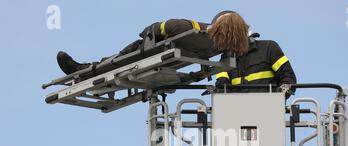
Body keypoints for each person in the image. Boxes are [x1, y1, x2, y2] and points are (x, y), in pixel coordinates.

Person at [57, 13, 236, 76]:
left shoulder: (183, 27)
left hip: (147, 53)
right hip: (170, 61)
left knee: (117, 60)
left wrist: (148, 35)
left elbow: (151, 30)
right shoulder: (217, 47)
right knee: (116, 60)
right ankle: (87, 68)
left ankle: (82, 70)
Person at [210, 12, 297, 95]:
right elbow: (222, 87)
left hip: (268, 108)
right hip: (237, 109)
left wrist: (278, 97)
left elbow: (288, 77)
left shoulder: (269, 48)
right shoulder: (225, 59)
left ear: (234, 33)